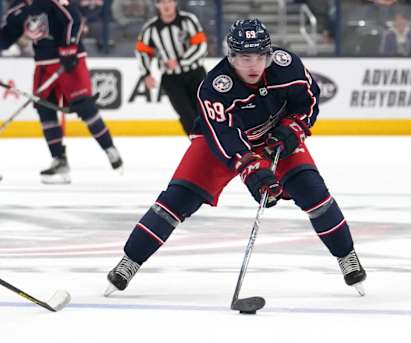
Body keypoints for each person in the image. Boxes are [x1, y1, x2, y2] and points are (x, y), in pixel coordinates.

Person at [105, 19, 367, 297]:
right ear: (231, 57)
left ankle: (346, 255)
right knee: (176, 200)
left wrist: (294, 127)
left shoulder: (287, 65)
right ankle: (129, 261)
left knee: (313, 192)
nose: (252, 65)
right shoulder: (214, 88)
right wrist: (253, 170)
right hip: (219, 144)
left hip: (274, 138)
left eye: (258, 57)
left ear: (268, 55)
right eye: (244, 57)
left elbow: (309, 100)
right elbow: (225, 138)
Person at [0, 0, 123, 184]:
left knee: (85, 107)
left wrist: (70, 46)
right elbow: (6, 36)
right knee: (44, 110)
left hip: (69, 59)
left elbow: (73, 19)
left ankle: (109, 148)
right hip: (43, 65)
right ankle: (59, 160)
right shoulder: (17, 11)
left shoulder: (51, 2)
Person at [135, 0, 207, 135]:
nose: (166, 5)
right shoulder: (150, 28)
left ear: (175, 3)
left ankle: (216, 148)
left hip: (196, 74)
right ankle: (198, 148)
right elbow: (142, 51)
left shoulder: (188, 20)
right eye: (162, 2)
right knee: (187, 116)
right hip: (171, 79)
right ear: (157, 5)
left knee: (206, 112)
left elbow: (201, 45)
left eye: (169, 1)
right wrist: (146, 73)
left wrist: (180, 61)